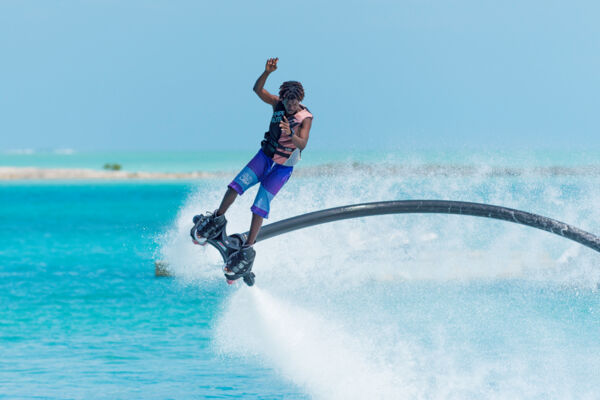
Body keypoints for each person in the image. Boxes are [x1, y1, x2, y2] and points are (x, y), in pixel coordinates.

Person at [193, 57, 314, 279]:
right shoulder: (277, 104)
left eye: (293, 102)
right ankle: (217, 218)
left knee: (259, 206)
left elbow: (303, 143)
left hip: (282, 168)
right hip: (265, 157)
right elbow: (257, 90)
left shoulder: (305, 118)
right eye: (287, 101)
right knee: (236, 186)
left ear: (300, 101)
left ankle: (247, 248)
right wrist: (266, 72)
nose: (289, 105)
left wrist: (290, 133)